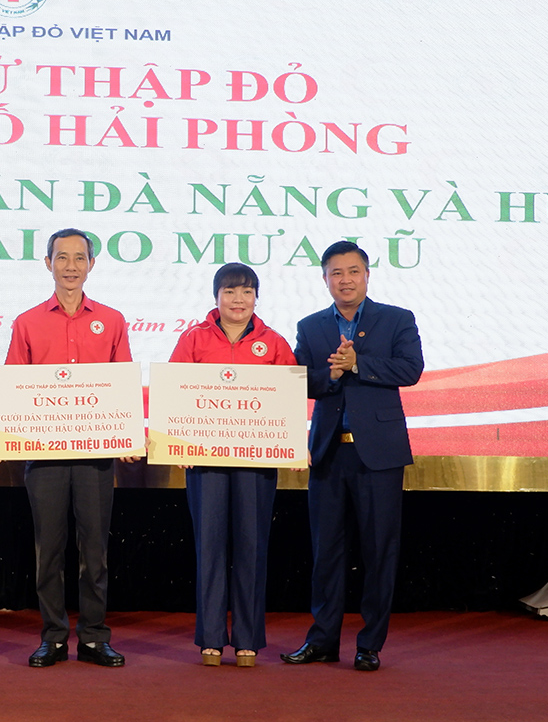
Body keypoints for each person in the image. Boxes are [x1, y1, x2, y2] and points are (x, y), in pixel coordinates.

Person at [281, 240, 423, 672]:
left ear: (367, 275)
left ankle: (370, 644)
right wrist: (331, 372)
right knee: (326, 551)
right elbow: (300, 381)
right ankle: (322, 640)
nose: (345, 280)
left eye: (353, 271)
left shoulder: (397, 319)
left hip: (379, 455)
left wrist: (359, 363)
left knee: (379, 551)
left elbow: (411, 369)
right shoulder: (311, 326)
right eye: (336, 273)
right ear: (325, 279)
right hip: (328, 453)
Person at [4, 228, 136, 668]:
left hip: (96, 456)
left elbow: (122, 384)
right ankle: (54, 637)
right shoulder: (27, 322)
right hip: (44, 456)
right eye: (62, 257)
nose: (71, 266)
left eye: (80, 257)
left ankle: (94, 637)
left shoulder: (112, 320)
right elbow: (14, 386)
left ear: (91, 265)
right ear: (48, 264)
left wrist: (128, 433)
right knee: (50, 551)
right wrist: (1, 429)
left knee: (95, 551)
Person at [169, 263, 297, 668]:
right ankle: (210, 638)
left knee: (251, 547)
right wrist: (175, 441)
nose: (238, 300)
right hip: (204, 460)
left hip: (256, 462)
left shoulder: (274, 343)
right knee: (209, 547)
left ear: (257, 297)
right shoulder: (193, 339)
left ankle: (247, 639)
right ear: (216, 297)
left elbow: (289, 401)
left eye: (246, 292)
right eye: (229, 292)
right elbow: (175, 394)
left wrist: (294, 442)